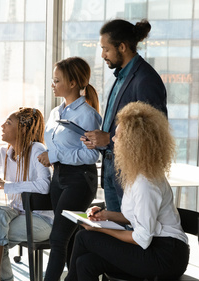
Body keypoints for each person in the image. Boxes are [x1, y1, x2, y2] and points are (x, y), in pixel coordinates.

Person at [65, 102, 189, 281]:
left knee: (85, 237)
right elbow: (138, 218)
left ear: (134, 144)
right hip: (152, 247)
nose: (113, 140)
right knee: (86, 263)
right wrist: (105, 216)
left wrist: (98, 230)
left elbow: (142, 238)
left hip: (166, 256)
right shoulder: (136, 175)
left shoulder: (146, 183)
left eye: (118, 136)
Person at [82, 19, 167, 212]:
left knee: (131, 233)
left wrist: (109, 139)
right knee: (116, 229)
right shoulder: (121, 76)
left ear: (122, 47)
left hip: (132, 173)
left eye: (106, 49)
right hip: (113, 168)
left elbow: (153, 135)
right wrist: (100, 140)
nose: (102, 55)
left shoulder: (146, 80)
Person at [37, 57, 102, 281]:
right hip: (59, 177)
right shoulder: (56, 112)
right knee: (71, 238)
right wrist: (49, 157)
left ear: (73, 82)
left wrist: (54, 155)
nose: (52, 84)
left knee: (57, 239)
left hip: (80, 180)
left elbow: (92, 154)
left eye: (57, 80)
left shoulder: (87, 114)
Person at [0, 107, 52, 281]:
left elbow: (44, 185)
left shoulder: (37, 149)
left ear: (23, 129)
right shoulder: (4, 152)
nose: (2, 126)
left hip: (41, 219)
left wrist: (8, 186)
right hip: (16, 213)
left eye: (8, 123)